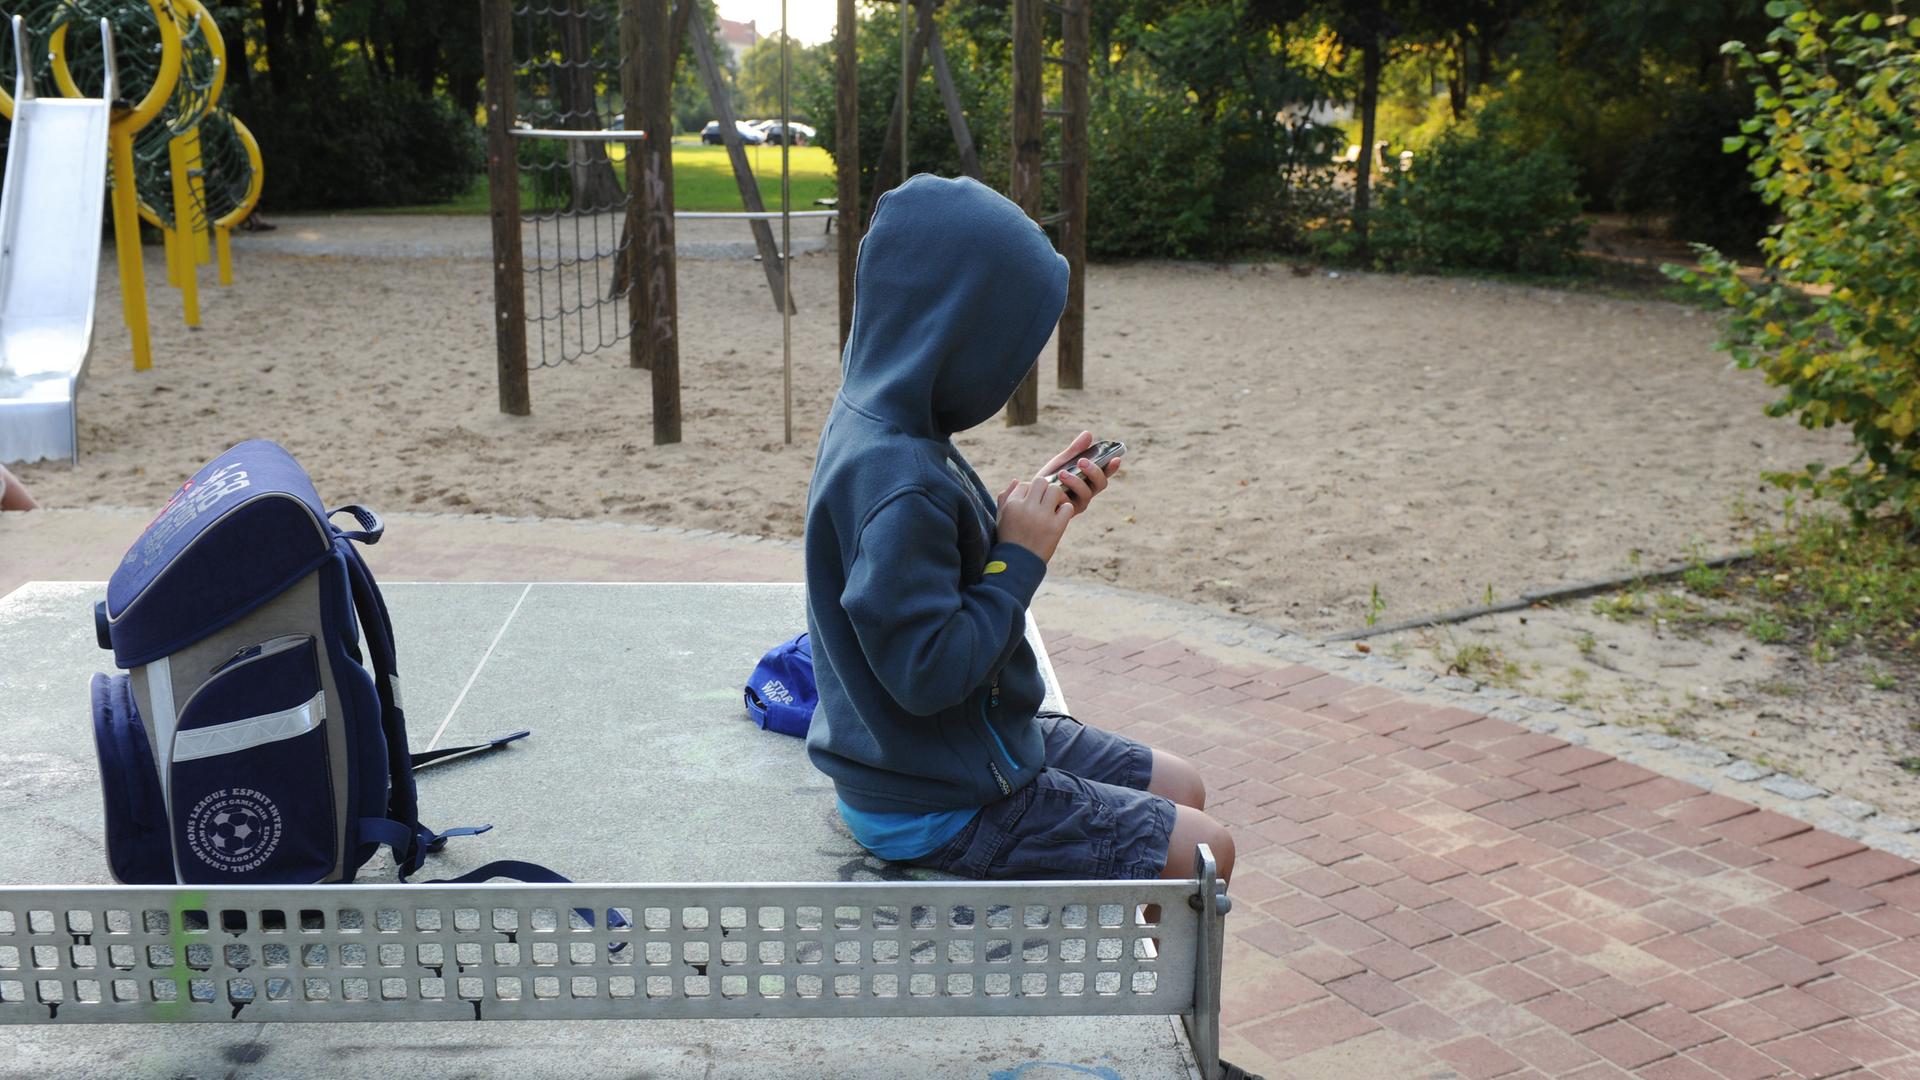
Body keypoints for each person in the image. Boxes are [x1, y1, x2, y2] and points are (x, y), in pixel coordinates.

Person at [803, 175, 1234, 886]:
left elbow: (926, 566)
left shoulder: (886, 422)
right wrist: (1017, 559)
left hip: (951, 748)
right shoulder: (899, 478)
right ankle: (1134, 999)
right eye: (1011, 350)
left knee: (1181, 785)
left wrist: (1018, 513)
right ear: (957, 332)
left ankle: (1136, 961)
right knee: (1206, 853)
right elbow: (929, 674)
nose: (1014, 372)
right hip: (931, 801)